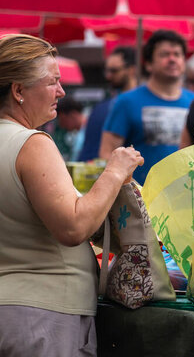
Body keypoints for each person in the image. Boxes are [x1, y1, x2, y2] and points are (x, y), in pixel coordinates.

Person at [0, 34, 143, 356]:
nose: (62, 93)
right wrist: (115, 170)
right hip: (42, 317)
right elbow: (72, 227)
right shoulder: (32, 143)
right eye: (53, 82)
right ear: (18, 90)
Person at [100, 30, 194, 184]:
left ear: (184, 62)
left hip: (184, 198)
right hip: (140, 199)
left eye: (177, 54)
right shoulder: (126, 102)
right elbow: (106, 153)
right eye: (164, 54)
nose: (172, 59)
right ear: (149, 64)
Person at [79, 46, 138, 161]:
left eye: (114, 70)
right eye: (107, 70)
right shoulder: (102, 108)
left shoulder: (135, 104)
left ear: (131, 70)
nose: (108, 75)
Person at [55, 95, 86, 161]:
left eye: (63, 120)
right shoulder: (77, 135)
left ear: (73, 115)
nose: (62, 125)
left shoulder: (88, 132)